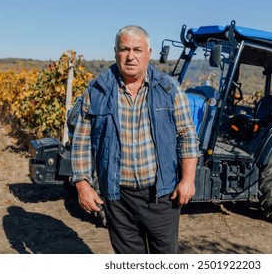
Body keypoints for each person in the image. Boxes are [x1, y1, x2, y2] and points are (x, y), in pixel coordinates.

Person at [70, 25, 200, 254]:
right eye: (125, 49)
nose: (131, 56)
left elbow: (187, 136)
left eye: (137, 49)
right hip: (118, 198)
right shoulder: (96, 91)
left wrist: (187, 179)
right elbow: (81, 140)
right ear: (115, 52)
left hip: (161, 196)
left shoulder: (169, 90)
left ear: (148, 53)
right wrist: (82, 184)